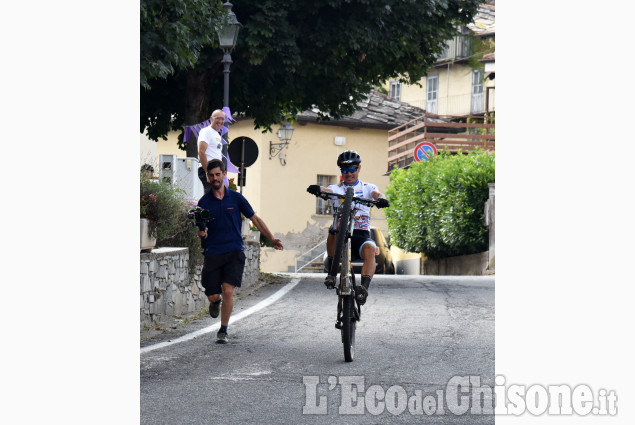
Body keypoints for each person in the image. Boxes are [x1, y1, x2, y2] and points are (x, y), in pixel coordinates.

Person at [197, 159, 284, 343]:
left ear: (224, 175)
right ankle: (215, 301)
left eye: (217, 174)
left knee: (228, 290)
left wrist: (271, 238)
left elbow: (255, 219)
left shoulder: (236, 198)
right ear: (207, 177)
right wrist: (202, 232)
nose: (214, 178)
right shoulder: (203, 202)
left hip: (234, 251)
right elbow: (201, 230)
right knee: (214, 294)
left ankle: (223, 330)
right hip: (212, 253)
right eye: (211, 175)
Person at [306, 150, 389, 306]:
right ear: (341, 172)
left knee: (371, 248)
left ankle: (363, 288)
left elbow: (377, 194)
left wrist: (382, 199)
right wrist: (318, 188)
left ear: (359, 169)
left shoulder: (367, 187)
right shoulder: (336, 188)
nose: (349, 173)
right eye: (345, 170)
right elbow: (327, 190)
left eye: (352, 169)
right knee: (333, 230)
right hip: (340, 233)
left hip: (361, 235)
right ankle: (331, 273)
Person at [197, 110, 226, 194]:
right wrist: (207, 172)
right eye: (217, 118)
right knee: (211, 195)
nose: (220, 121)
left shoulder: (216, 134)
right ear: (211, 119)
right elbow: (201, 152)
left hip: (215, 170)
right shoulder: (206, 131)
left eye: (222, 119)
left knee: (218, 195)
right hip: (208, 169)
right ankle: (204, 207)